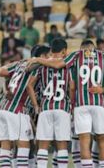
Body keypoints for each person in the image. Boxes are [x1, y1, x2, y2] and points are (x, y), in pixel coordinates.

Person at [29, 40, 104, 168]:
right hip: (99, 103)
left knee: (84, 142)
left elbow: (58, 66)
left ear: (82, 48)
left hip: (81, 105)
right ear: (94, 48)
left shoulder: (76, 55)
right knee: (102, 141)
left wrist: (37, 60)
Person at [0, 46, 50, 167]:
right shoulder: (37, 65)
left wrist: (6, 88)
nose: (49, 58)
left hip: (3, 108)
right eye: (48, 55)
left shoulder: (20, 63)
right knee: (24, 145)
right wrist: (36, 106)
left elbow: (2, 72)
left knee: (6, 145)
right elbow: (29, 84)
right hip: (17, 108)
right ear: (42, 56)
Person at [27, 39, 73, 168]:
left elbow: (29, 85)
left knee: (43, 145)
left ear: (51, 50)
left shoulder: (42, 65)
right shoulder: (68, 65)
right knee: (62, 145)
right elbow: (72, 87)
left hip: (45, 107)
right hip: (62, 107)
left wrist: (36, 105)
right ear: (64, 51)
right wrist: (73, 105)